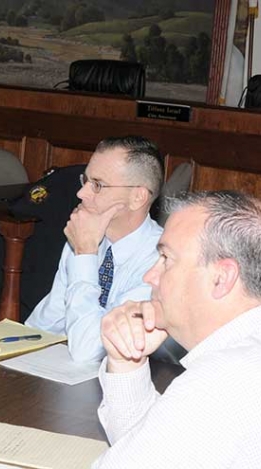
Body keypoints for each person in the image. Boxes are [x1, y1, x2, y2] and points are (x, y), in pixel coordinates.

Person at [94, 191, 261, 468]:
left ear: (222, 278)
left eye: (165, 258)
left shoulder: (219, 385)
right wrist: (126, 360)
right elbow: (148, 447)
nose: (150, 276)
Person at [25, 136, 163, 362]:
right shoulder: (88, 234)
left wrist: (86, 254)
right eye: (85, 180)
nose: (81, 194)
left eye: (98, 185)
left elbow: (89, 350)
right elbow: (43, 326)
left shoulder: (161, 261)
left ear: (137, 197)